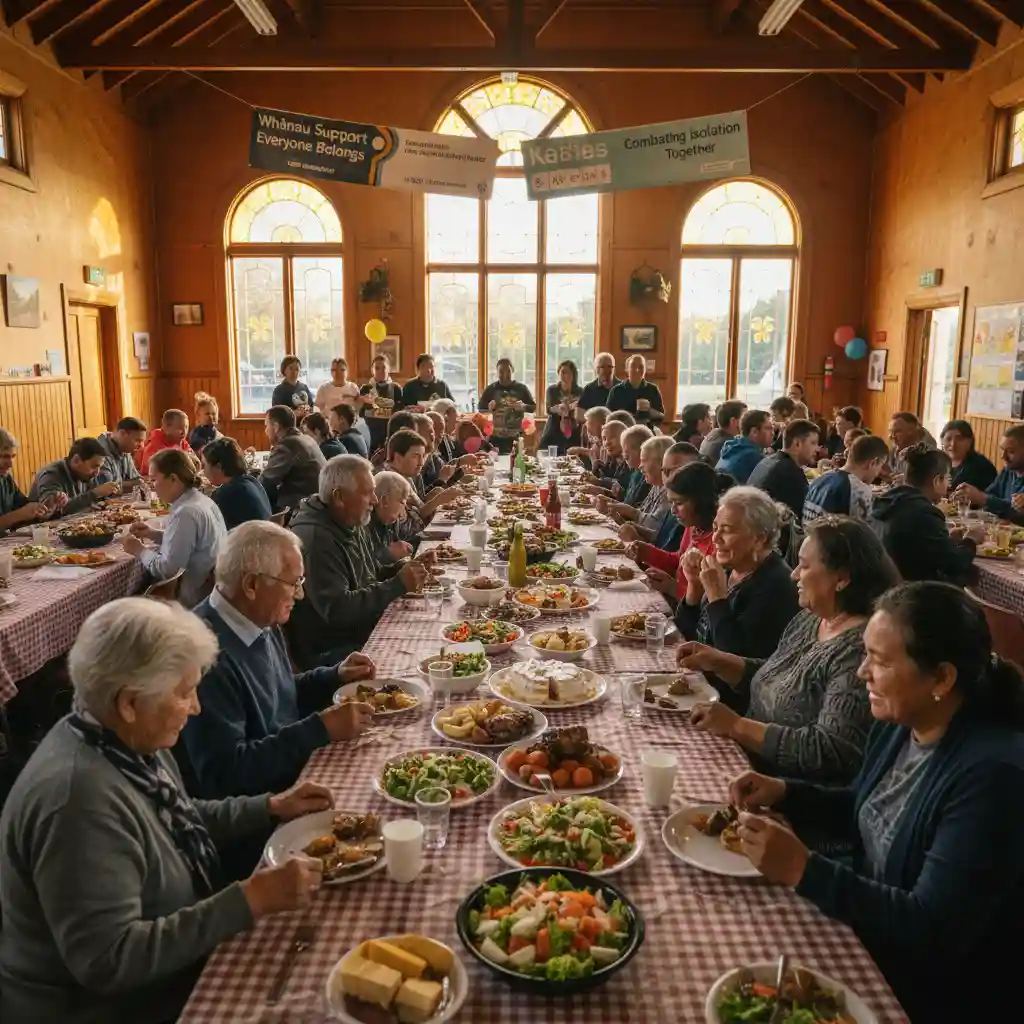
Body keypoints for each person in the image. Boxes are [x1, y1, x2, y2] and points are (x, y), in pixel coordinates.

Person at [0, 597, 330, 1024]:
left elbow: (173, 817)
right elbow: (109, 960)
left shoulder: (115, 737)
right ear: (129, 702)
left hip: (174, 951)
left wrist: (269, 806)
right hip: (117, 1007)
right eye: (184, 692)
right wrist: (248, 899)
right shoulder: (76, 803)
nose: (195, 707)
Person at [727, 582, 1024, 1024]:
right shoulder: (901, 721)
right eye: (865, 653)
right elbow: (868, 810)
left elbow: (931, 928)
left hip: (924, 988)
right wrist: (786, 791)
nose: (862, 672)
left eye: (881, 661)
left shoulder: (993, 777)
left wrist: (805, 870)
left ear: (941, 678)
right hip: (865, 925)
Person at [680, 517, 899, 782]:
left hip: (776, 788)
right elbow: (778, 676)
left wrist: (737, 726)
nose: (794, 573)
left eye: (804, 566)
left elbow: (831, 750)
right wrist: (719, 661)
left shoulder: (858, 651)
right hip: (740, 758)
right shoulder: (811, 618)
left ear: (841, 578)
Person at [179, 521, 376, 799]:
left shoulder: (256, 617)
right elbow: (225, 774)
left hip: (292, 769)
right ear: (252, 585)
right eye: (293, 583)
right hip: (267, 806)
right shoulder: (205, 656)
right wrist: (319, 729)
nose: (300, 594)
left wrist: (334, 676)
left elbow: (277, 694)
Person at [287, 456, 428, 666]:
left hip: (361, 628)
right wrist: (397, 584)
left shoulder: (351, 519)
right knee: (420, 652)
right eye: (368, 493)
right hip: (333, 650)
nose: (375, 500)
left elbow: (368, 574)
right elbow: (338, 610)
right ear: (339, 497)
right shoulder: (317, 539)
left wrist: (402, 569)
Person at [674, 486, 800, 698]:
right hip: (697, 683)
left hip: (724, 704)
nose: (715, 539)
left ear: (759, 539)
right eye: (715, 528)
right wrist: (694, 588)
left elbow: (733, 666)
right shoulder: (731, 565)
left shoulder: (776, 587)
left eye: (728, 530)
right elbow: (684, 634)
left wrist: (716, 598)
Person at [122, 448, 226, 607]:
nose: (152, 487)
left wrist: (139, 550)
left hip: (192, 598)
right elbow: (190, 543)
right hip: (210, 588)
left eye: (153, 480)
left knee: (120, 601)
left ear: (173, 479)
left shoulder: (186, 512)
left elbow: (168, 570)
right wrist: (153, 534)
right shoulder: (201, 500)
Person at [870, 444, 978, 585]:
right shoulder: (924, 512)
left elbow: (920, 544)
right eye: (947, 479)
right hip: (915, 595)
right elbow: (955, 564)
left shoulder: (886, 502)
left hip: (885, 587)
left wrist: (947, 539)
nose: (948, 486)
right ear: (937, 480)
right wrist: (971, 540)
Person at [638, 460, 734, 604]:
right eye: (671, 503)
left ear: (702, 502)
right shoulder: (694, 526)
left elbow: (707, 602)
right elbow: (679, 559)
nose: (673, 510)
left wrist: (673, 587)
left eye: (679, 503)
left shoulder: (719, 541)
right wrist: (647, 553)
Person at [622, 441, 703, 552]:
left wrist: (636, 541)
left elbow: (672, 561)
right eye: (664, 471)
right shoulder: (674, 500)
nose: (666, 477)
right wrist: (636, 530)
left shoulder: (691, 512)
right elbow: (662, 537)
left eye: (671, 471)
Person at [804, 434, 889, 524]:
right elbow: (864, 534)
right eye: (880, 466)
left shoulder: (819, 480)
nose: (879, 472)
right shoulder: (858, 490)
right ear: (873, 463)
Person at [747, 418, 820, 519]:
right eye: (813, 443)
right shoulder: (790, 472)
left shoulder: (768, 460)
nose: (817, 448)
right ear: (797, 443)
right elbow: (805, 517)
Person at [952, 422, 1024, 524]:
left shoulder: (979, 463)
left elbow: (1017, 513)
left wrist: (983, 499)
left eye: (1011, 451)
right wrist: (969, 497)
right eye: (1002, 450)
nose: (1003, 457)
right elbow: (990, 494)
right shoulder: (1008, 471)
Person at [259, 405, 326, 514]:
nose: (266, 431)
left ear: (276, 427)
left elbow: (265, 482)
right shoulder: (306, 438)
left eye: (267, 426)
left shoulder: (287, 445)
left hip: (301, 509)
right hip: (317, 503)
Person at [29, 437, 119, 514]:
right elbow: (51, 512)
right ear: (76, 461)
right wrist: (94, 494)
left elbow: (84, 503)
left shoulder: (86, 475)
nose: (97, 472)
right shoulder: (51, 475)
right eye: (94, 466)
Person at [202, 437, 272, 531]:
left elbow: (209, 530)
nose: (203, 471)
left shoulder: (228, 493)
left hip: (248, 543)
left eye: (205, 465)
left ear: (219, 467)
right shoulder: (251, 481)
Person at [601, 431, 668, 526]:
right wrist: (612, 507)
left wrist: (631, 513)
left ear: (661, 463)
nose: (640, 466)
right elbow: (642, 511)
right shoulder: (656, 486)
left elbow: (656, 528)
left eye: (644, 461)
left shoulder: (669, 493)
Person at [0, 428, 55, 535]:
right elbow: (20, 513)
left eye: (13, 456)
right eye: (4, 456)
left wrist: (47, 507)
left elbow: (23, 509)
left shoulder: (6, 479)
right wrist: (19, 514)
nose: (10, 464)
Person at [479, 358, 536, 454]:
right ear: (497, 372)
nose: (505, 375)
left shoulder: (521, 388)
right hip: (495, 437)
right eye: (501, 371)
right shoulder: (491, 389)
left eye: (508, 371)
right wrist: (489, 407)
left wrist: (523, 406)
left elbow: (533, 407)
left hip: (516, 437)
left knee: (516, 464)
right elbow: (480, 408)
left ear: (512, 371)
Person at [368, 470, 418, 565]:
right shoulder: (364, 523)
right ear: (385, 501)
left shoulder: (389, 521)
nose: (404, 508)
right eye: (402, 502)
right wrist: (388, 554)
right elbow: (364, 568)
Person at [359, 354, 403, 453]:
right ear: (372, 370)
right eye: (377, 368)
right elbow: (362, 413)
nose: (381, 371)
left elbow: (399, 412)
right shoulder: (366, 388)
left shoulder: (396, 388)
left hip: (390, 432)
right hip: (371, 432)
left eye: (384, 367)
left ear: (389, 369)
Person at [716, 409, 773, 484]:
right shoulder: (752, 457)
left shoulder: (734, 446)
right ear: (754, 432)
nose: (772, 433)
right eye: (768, 428)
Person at [940, 419, 997, 492]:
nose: (953, 444)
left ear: (970, 442)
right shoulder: (938, 462)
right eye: (948, 439)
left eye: (959, 439)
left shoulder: (982, 467)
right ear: (942, 441)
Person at [539, 360, 583, 454]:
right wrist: (562, 407)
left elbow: (582, 410)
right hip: (554, 429)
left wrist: (570, 408)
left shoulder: (580, 391)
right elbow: (549, 409)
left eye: (566, 372)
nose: (563, 375)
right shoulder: (552, 390)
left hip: (573, 430)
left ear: (573, 375)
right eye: (561, 372)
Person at [607, 354, 664, 427]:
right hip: (622, 431)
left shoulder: (653, 389)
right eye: (633, 366)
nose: (637, 370)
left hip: (647, 432)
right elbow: (608, 416)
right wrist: (624, 415)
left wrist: (649, 410)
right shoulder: (616, 391)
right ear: (627, 369)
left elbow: (661, 416)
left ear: (645, 370)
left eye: (641, 367)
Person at [95, 417, 146, 490]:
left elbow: (135, 478)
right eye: (138, 440)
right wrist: (137, 483)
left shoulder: (125, 449)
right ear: (122, 433)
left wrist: (143, 481)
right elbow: (107, 489)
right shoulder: (99, 451)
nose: (141, 446)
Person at [139, 410, 194, 476]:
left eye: (186, 427)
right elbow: (163, 472)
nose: (184, 432)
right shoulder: (154, 446)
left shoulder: (182, 442)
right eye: (179, 428)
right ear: (166, 427)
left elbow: (195, 463)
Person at [887, 411, 936, 477]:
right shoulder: (896, 446)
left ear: (912, 430)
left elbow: (921, 481)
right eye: (890, 431)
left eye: (897, 431)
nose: (891, 436)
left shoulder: (929, 453)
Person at [700, 399, 747, 465]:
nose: (747, 422)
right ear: (733, 421)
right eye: (744, 419)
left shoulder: (712, 434)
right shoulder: (730, 445)